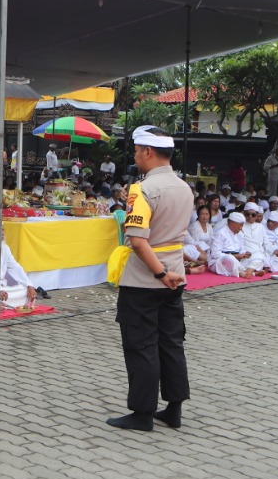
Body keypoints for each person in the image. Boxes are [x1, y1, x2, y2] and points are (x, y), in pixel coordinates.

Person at [107, 125, 192, 432]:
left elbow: (138, 240)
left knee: (141, 345)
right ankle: (174, 408)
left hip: (146, 278)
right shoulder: (185, 187)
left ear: (147, 152)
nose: (134, 156)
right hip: (175, 275)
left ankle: (142, 413)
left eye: (135, 150)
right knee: (171, 343)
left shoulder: (142, 190)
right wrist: (169, 273)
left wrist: (159, 272)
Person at [208, 212, 264, 278]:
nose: (241, 228)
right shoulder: (220, 233)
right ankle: (246, 272)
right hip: (221, 261)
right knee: (230, 258)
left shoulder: (240, 234)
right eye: (240, 225)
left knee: (258, 256)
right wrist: (234, 256)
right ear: (233, 224)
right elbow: (215, 254)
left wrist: (245, 253)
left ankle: (248, 271)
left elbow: (242, 249)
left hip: (237, 260)